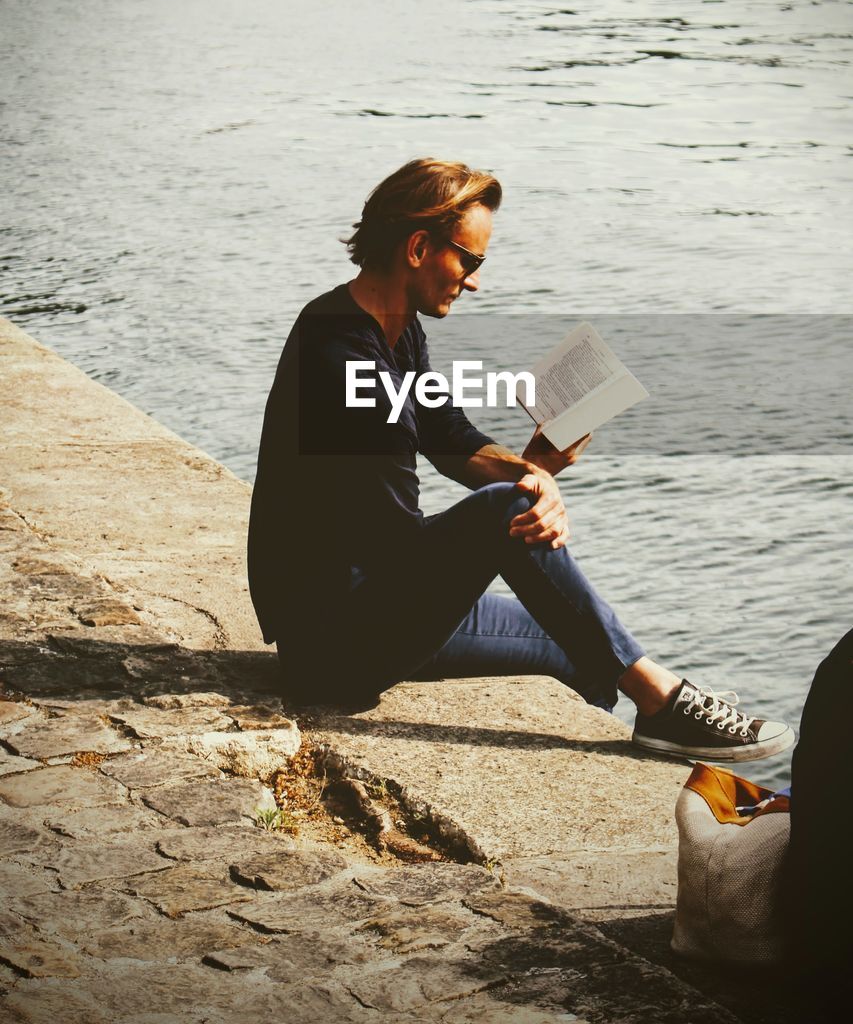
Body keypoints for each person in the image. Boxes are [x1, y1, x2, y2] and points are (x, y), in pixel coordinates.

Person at [248, 158, 793, 761]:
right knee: (508, 514)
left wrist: (534, 470)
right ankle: (663, 701)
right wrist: (519, 503)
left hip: (366, 609)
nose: (475, 280)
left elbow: (445, 434)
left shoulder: (391, 328)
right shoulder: (347, 366)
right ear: (419, 247)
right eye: (470, 260)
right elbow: (393, 545)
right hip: (336, 644)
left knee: (586, 652)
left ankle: (618, 750)